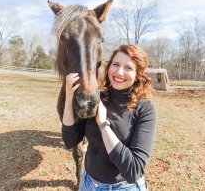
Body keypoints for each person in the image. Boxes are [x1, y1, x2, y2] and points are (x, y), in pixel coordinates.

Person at [62, 44, 156, 190]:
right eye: (116, 64)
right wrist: (69, 100)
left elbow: (133, 171)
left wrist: (103, 125)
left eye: (128, 68)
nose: (119, 72)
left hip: (123, 187)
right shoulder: (99, 98)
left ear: (138, 74)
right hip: (88, 184)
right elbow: (70, 140)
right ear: (108, 66)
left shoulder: (144, 109)